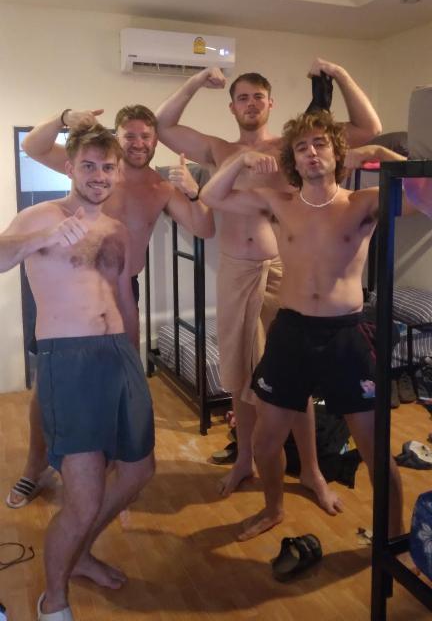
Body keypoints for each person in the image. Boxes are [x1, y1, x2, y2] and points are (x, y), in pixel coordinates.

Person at [155, 58, 382, 499]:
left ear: (271, 104)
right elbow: (164, 125)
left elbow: (368, 128)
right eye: (242, 97)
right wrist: (200, 78)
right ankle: (245, 460)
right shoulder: (220, 151)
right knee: (241, 375)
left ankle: (312, 469)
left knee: (291, 379)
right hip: (235, 271)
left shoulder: (293, 146)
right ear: (232, 107)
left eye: (259, 96)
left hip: (281, 271)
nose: (251, 103)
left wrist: (339, 74)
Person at [200, 111, 411, 541]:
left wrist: (376, 153)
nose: (311, 153)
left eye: (320, 144)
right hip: (291, 333)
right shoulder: (280, 203)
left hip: (345, 336)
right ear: (292, 160)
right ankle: (273, 509)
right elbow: (212, 195)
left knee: (376, 451)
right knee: (262, 443)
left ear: (337, 153)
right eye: (301, 147)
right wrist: (240, 162)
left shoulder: (363, 203)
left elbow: (427, 193)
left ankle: (393, 538)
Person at [7, 104, 215, 508]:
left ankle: (99, 475)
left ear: (156, 141)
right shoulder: (96, 169)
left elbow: (204, 227)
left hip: (121, 290)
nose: (138, 143)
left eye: (146, 136)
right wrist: (66, 117)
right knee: (46, 390)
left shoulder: (161, 187)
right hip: (65, 282)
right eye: (130, 135)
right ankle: (35, 468)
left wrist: (195, 191)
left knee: (116, 384)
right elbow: (34, 146)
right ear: (117, 139)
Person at [0, 124, 155, 620]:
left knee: (138, 471)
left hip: (119, 358)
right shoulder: (41, 215)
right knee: (83, 496)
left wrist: (136, 364)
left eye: (108, 167)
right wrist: (43, 237)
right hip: (68, 357)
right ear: (69, 168)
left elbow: (124, 300)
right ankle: (55, 598)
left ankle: (82, 551)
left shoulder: (118, 230)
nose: (99, 175)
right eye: (88, 165)